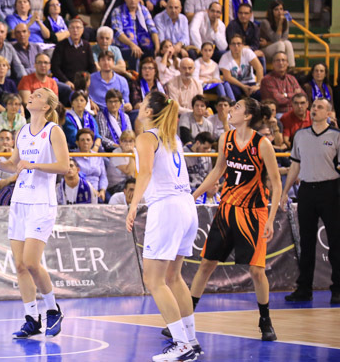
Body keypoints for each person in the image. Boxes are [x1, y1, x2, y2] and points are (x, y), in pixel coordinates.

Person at [187, 98, 282, 343]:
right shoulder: (225, 138)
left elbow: (276, 182)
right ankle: (185, 320)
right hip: (227, 208)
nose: (231, 110)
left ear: (248, 116)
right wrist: (194, 195)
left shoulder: (262, 144)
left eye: (237, 107)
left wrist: (271, 218)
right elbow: (218, 170)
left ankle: (265, 320)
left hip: (253, 212)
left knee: (256, 271)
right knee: (206, 264)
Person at [0, 88, 67, 337]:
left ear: (47, 106)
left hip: (41, 203)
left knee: (31, 262)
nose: (32, 96)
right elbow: (14, 165)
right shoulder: (22, 132)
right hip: (20, 201)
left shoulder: (53, 131)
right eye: (33, 94)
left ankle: (53, 310)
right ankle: (31, 318)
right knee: (20, 265)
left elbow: (63, 166)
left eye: (38, 95)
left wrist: (34, 165)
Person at [126, 91, 200, 361]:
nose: (139, 106)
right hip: (186, 206)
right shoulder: (172, 136)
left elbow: (145, 173)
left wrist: (133, 204)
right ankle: (191, 339)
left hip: (167, 208)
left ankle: (181, 345)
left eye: (143, 103)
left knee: (154, 280)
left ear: (149, 112)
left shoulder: (146, 137)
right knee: (173, 277)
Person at [281, 98, 340, 304]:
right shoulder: (300, 135)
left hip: (331, 190)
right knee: (306, 242)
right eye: (313, 106)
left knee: (336, 241)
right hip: (306, 190)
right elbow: (295, 166)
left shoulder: (336, 136)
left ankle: (338, 289)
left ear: (328, 113)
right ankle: (304, 288)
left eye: (320, 107)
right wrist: (285, 192)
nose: (315, 109)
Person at [110, 0, 159, 71]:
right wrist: (132, 45)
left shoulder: (143, 10)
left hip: (141, 44)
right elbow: (118, 33)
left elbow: (152, 28)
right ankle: (135, 78)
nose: (132, 0)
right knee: (135, 53)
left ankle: (149, 77)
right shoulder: (117, 11)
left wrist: (157, 46)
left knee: (152, 51)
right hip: (122, 47)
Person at [51, 18, 96, 91]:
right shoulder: (60, 46)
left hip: (83, 82)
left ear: (82, 30)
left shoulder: (87, 45)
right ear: (68, 30)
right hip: (66, 83)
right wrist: (66, 81)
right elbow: (55, 67)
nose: (75, 30)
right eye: (72, 28)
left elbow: (92, 66)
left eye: (78, 28)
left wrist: (89, 79)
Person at [219, 34, 263, 101]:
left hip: (250, 82)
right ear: (229, 46)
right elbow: (228, 77)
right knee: (234, 91)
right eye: (233, 44)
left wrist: (258, 85)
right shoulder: (225, 57)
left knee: (259, 92)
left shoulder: (248, 52)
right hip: (236, 84)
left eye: (238, 44)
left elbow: (259, 68)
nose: (236, 46)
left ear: (242, 45)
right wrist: (243, 86)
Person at [72, 128, 108, 201]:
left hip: (98, 189)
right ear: (77, 142)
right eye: (82, 140)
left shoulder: (98, 156)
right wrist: (91, 190)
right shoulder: (73, 157)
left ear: (92, 142)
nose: (85, 142)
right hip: (81, 190)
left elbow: (103, 176)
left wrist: (102, 190)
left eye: (88, 140)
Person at [259, 0, 295, 68]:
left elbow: (285, 38)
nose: (279, 12)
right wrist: (280, 23)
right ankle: (280, 68)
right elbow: (276, 39)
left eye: (281, 9)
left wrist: (268, 43)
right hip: (264, 50)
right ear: (271, 11)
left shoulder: (285, 21)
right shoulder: (265, 22)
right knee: (280, 44)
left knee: (287, 43)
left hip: (275, 46)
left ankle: (291, 68)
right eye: (276, 9)